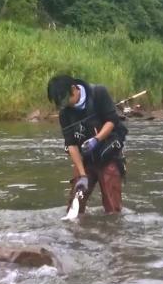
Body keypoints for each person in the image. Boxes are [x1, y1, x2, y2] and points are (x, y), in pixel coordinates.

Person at [46, 75, 128, 215]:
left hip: (109, 156)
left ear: (74, 89)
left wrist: (96, 139)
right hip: (85, 160)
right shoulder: (65, 113)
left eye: (65, 99)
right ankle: (76, 234)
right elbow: (71, 145)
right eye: (60, 103)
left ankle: (113, 233)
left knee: (112, 208)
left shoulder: (98, 93)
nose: (65, 105)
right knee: (75, 206)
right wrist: (83, 175)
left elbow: (111, 121)